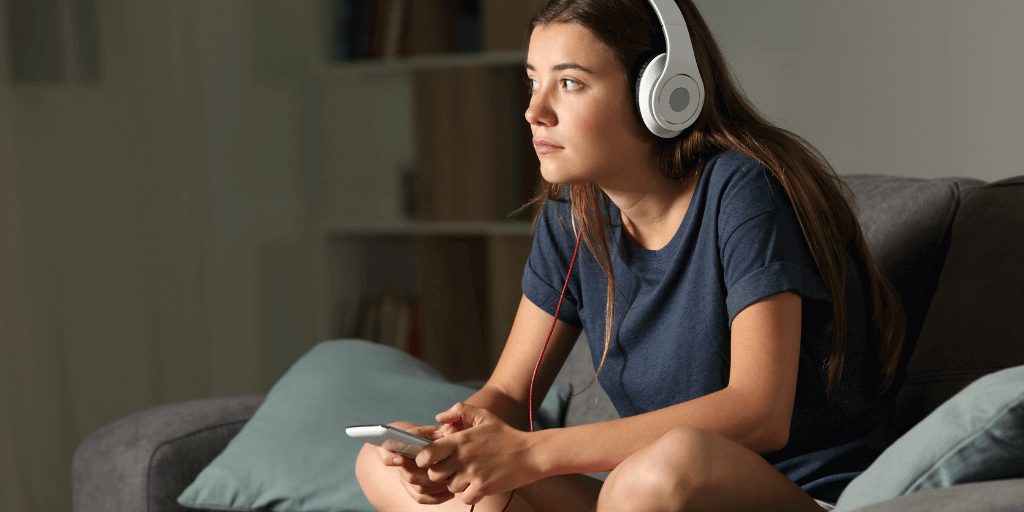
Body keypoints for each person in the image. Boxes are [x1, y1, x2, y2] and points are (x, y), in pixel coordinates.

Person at [355, 0, 906, 510]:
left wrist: (533, 453)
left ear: (663, 93)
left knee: (659, 469)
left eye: (569, 83)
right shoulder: (570, 214)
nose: (534, 112)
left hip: (785, 494)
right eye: (532, 82)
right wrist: (454, 447)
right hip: (638, 497)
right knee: (377, 464)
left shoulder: (742, 192)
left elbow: (760, 413)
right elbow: (508, 393)